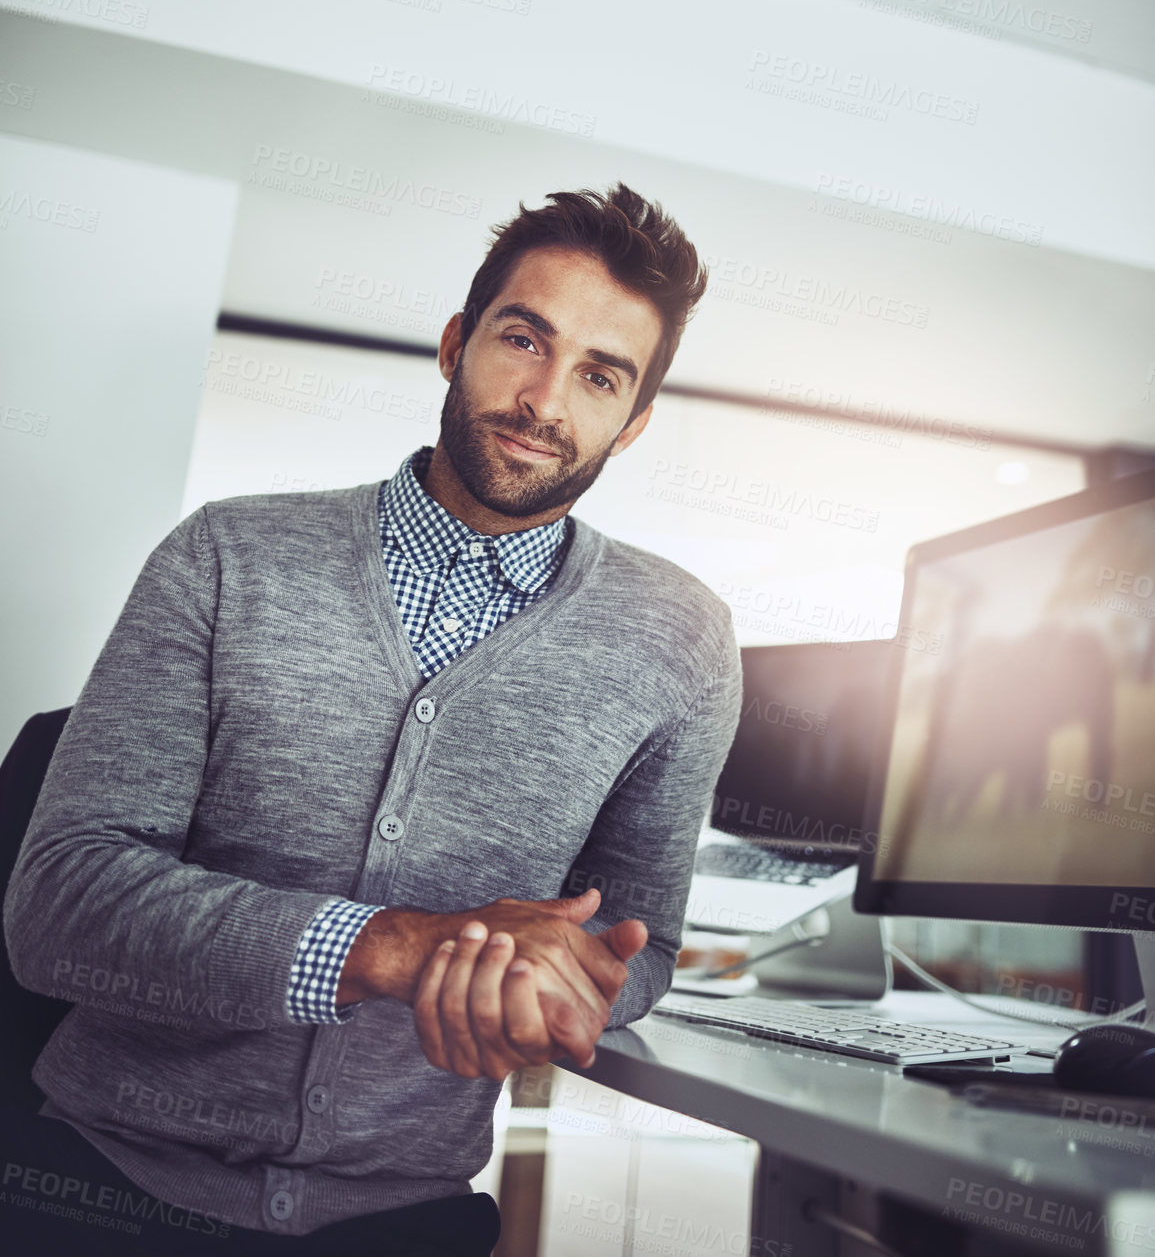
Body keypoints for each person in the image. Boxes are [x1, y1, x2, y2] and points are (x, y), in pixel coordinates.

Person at [4, 184, 743, 1253]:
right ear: (455, 342)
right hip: (100, 1182)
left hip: (407, 1217)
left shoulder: (680, 639)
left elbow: (644, 942)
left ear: (632, 425)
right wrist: (391, 950)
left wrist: (557, 974)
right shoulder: (225, 556)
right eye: (523, 338)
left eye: (598, 374)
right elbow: (61, 903)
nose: (545, 400)